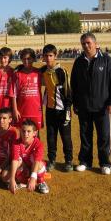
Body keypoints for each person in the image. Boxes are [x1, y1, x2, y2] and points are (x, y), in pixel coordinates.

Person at [71, 33, 111, 175]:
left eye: (88, 43)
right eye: (83, 44)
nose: (86, 46)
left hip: (102, 107)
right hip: (84, 107)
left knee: (104, 136)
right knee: (85, 136)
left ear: (95, 43)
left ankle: (105, 163)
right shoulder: (79, 62)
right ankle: (85, 162)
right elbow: (74, 84)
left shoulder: (106, 61)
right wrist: (75, 103)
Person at [40, 44, 73, 172]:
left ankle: (68, 160)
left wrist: (68, 110)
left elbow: (69, 92)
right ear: (43, 57)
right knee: (51, 137)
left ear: (55, 56)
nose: (48, 58)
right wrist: (19, 67)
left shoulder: (61, 71)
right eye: (46, 56)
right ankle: (52, 160)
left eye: (51, 56)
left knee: (66, 137)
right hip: (50, 110)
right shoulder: (43, 71)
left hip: (63, 110)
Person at [9, 120, 49, 195]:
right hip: (24, 168)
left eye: (29, 131)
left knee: (39, 162)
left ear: (35, 133)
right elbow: (14, 160)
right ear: (20, 131)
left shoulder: (38, 144)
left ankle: (40, 182)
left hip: (35, 167)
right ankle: (24, 182)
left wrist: (33, 178)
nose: (25, 134)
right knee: (16, 163)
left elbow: (37, 161)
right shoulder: (16, 143)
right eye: (23, 131)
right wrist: (12, 179)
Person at [11, 48, 43, 129]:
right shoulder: (17, 74)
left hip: (36, 110)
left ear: (33, 59)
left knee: (36, 133)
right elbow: (13, 94)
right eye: (24, 59)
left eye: (29, 58)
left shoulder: (38, 72)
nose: (26, 61)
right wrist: (15, 109)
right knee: (22, 133)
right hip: (22, 110)